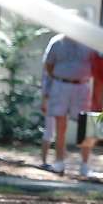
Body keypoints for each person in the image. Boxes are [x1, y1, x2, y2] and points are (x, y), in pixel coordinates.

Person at [41, 32, 95, 176]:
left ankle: (85, 165)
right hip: (61, 85)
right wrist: (62, 77)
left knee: (86, 125)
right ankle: (59, 162)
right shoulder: (56, 42)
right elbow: (48, 65)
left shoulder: (89, 42)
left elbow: (96, 64)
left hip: (83, 86)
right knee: (60, 125)